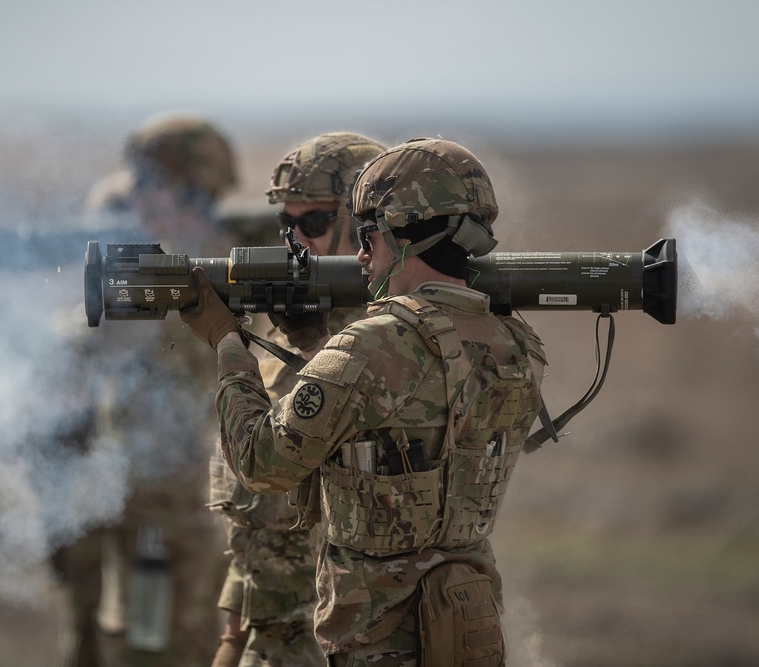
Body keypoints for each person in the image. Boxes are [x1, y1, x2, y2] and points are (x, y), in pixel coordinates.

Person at [181, 138, 548, 666]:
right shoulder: (516, 342)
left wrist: (226, 343)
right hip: (457, 627)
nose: (359, 253)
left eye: (368, 235)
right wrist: (314, 348)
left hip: (374, 638)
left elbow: (262, 463)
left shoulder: (370, 346)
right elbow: (401, 420)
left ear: (400, 235)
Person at [54, 113, 238, 667]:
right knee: (104, 638)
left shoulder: (227, 266)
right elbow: (90, 341)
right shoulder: (130, 239)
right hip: (111, 485)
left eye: (151, 183)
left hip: (179, 502)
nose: (137, 194)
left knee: (170, 643)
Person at [207, 132, 386, 667]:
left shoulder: (384, 351)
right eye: (287, 224)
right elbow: (253, 530)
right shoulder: (277, 345)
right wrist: (231, 644)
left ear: (364, 227)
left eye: (314, 223)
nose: (295, 241)